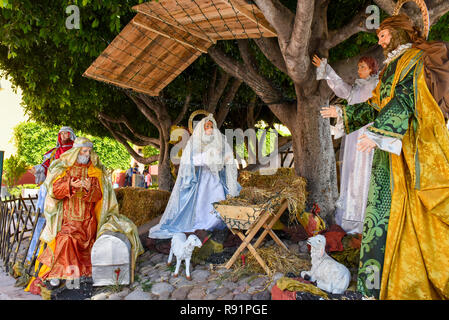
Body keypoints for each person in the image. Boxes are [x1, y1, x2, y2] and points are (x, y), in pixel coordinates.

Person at [321, 12, 449, 300]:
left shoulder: (414, 59)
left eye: (383, 34)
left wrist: (380, 131)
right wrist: (344, 113)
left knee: (408, 216)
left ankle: (408, 282)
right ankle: (378, 285)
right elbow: (376, 105)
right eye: (378, 35)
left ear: (400, 32)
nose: (379, 40)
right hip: (388, 154)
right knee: (380, 216)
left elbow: (405, 99)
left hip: (407, 153)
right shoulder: (393, 65)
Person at [26, 137, 143, 290]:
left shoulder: (95, 171)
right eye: (84, 151)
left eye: (89, 151)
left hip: (88, 222)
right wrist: (70, 184)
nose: (87, 154)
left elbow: (99, 196)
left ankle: (76, 276)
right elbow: (55, 191)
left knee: (85, 245)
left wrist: (89, 188)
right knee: (66, 239)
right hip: (68, 220)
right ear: (76, 151)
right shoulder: (65, 169)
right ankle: (60, 274)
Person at [312, 54, 379, 234]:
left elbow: (374, 110)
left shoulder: (377, 86)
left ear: (372, 68)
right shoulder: (356, 89)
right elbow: (341, 88)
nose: (359, 71)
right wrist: (327, 70)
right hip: (353, 137)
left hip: (367, 137)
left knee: (364, 174)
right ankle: (350, 220)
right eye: (358, 67)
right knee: (351, 173)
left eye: (363, 67)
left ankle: (365, 219)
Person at [149, 114, 241, 239]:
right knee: (203, 201)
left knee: (219, 198)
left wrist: (221, 158)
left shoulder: (218, 142)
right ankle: (204, 223)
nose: (209, 128)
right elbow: (192, 160)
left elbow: (224, 160)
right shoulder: (197, 143)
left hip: (215, 178)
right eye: (207, 126)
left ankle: (217, 223)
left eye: (211, 126)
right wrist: (208, 157)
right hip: (202, 178)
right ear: (202, 128)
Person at [26, 127, 76, 262]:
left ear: (71, 135)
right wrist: (37, 169)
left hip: (67, 189)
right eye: (62, 133)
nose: (65, 135)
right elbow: (45, 166)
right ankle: (35, 253)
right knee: (42, 218)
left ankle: (59, 253)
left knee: (62, 222)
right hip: (49, 189)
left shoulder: (75, 151)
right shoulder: (54, 153)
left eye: (67, 132)